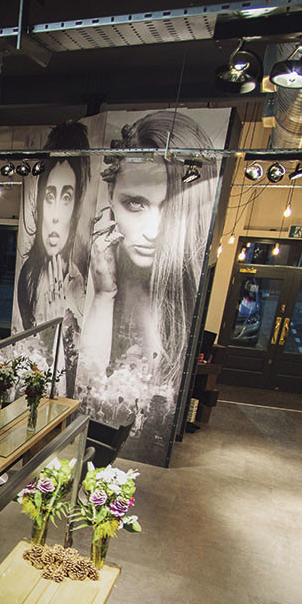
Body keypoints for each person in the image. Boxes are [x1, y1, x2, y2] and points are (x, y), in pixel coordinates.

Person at [76, 110, 217, 462]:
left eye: (170, 208)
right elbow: (85, 390)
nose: (153, 231)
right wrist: (104, 295)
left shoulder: (183, 297)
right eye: (135, 203)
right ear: (111, 195)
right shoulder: (93, 273)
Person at [15, 122, 91, 334]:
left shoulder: (80, 286)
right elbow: (28, 344)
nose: (55, 216)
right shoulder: (28, 276)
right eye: (49, 196)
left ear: (76, 206)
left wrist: (56, 320)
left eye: (66, 197)